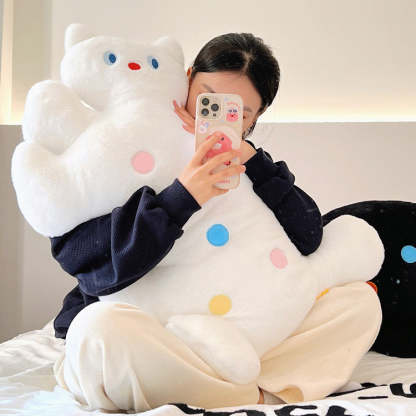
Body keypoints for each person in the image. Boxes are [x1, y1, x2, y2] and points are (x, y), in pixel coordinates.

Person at [51, 33, 382, 412]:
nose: (217, 117)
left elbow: (309, 238)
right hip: (165, 336)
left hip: (249, 335)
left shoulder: (253, 166)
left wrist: (252, 160)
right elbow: (82, 260)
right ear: (188, 78)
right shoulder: (131, 143)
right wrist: (181, 198)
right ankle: (249, 396)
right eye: (208, 100)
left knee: (358, 303)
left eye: (238, 112)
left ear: (255, 117)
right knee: (97, 334)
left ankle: (209, 385)